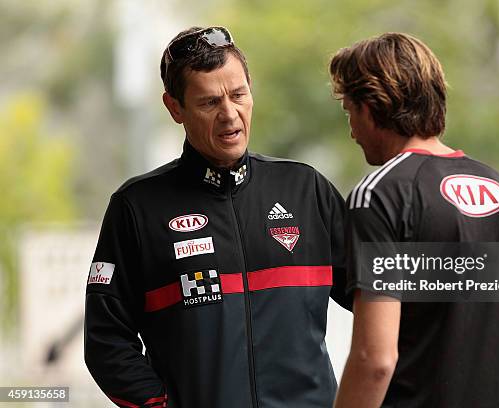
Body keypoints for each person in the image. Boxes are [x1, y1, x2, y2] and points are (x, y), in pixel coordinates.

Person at [84, 26, 351, 408]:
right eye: (209, 103)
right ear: (175, 107)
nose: (230, 115)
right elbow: (106, 340)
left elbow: (379, 295)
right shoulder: (136, 207)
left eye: (239, 95)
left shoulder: (305, 189)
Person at [329, 33, 499, 408]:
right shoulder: (497, 190)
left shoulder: (379, 195)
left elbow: (375, 361)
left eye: (349, 110)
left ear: (370, 106)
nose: (351, 130)